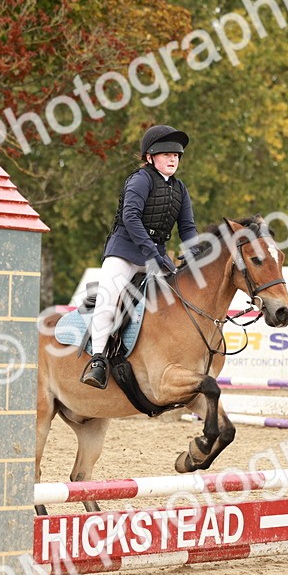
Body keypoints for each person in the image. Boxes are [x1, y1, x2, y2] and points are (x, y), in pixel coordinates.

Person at [81, 124, 200, 389]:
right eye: (167, 154)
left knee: (180, 297)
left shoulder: (180, 189)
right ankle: (98, 360)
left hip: (154, 254)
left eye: (177, 155)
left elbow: (188, 228)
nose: (173, 159)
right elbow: (130, 218)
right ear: (149, 157)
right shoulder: (140, 179)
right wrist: (152, 255)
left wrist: (195, 253)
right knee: (108, 299)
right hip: (124, 252)